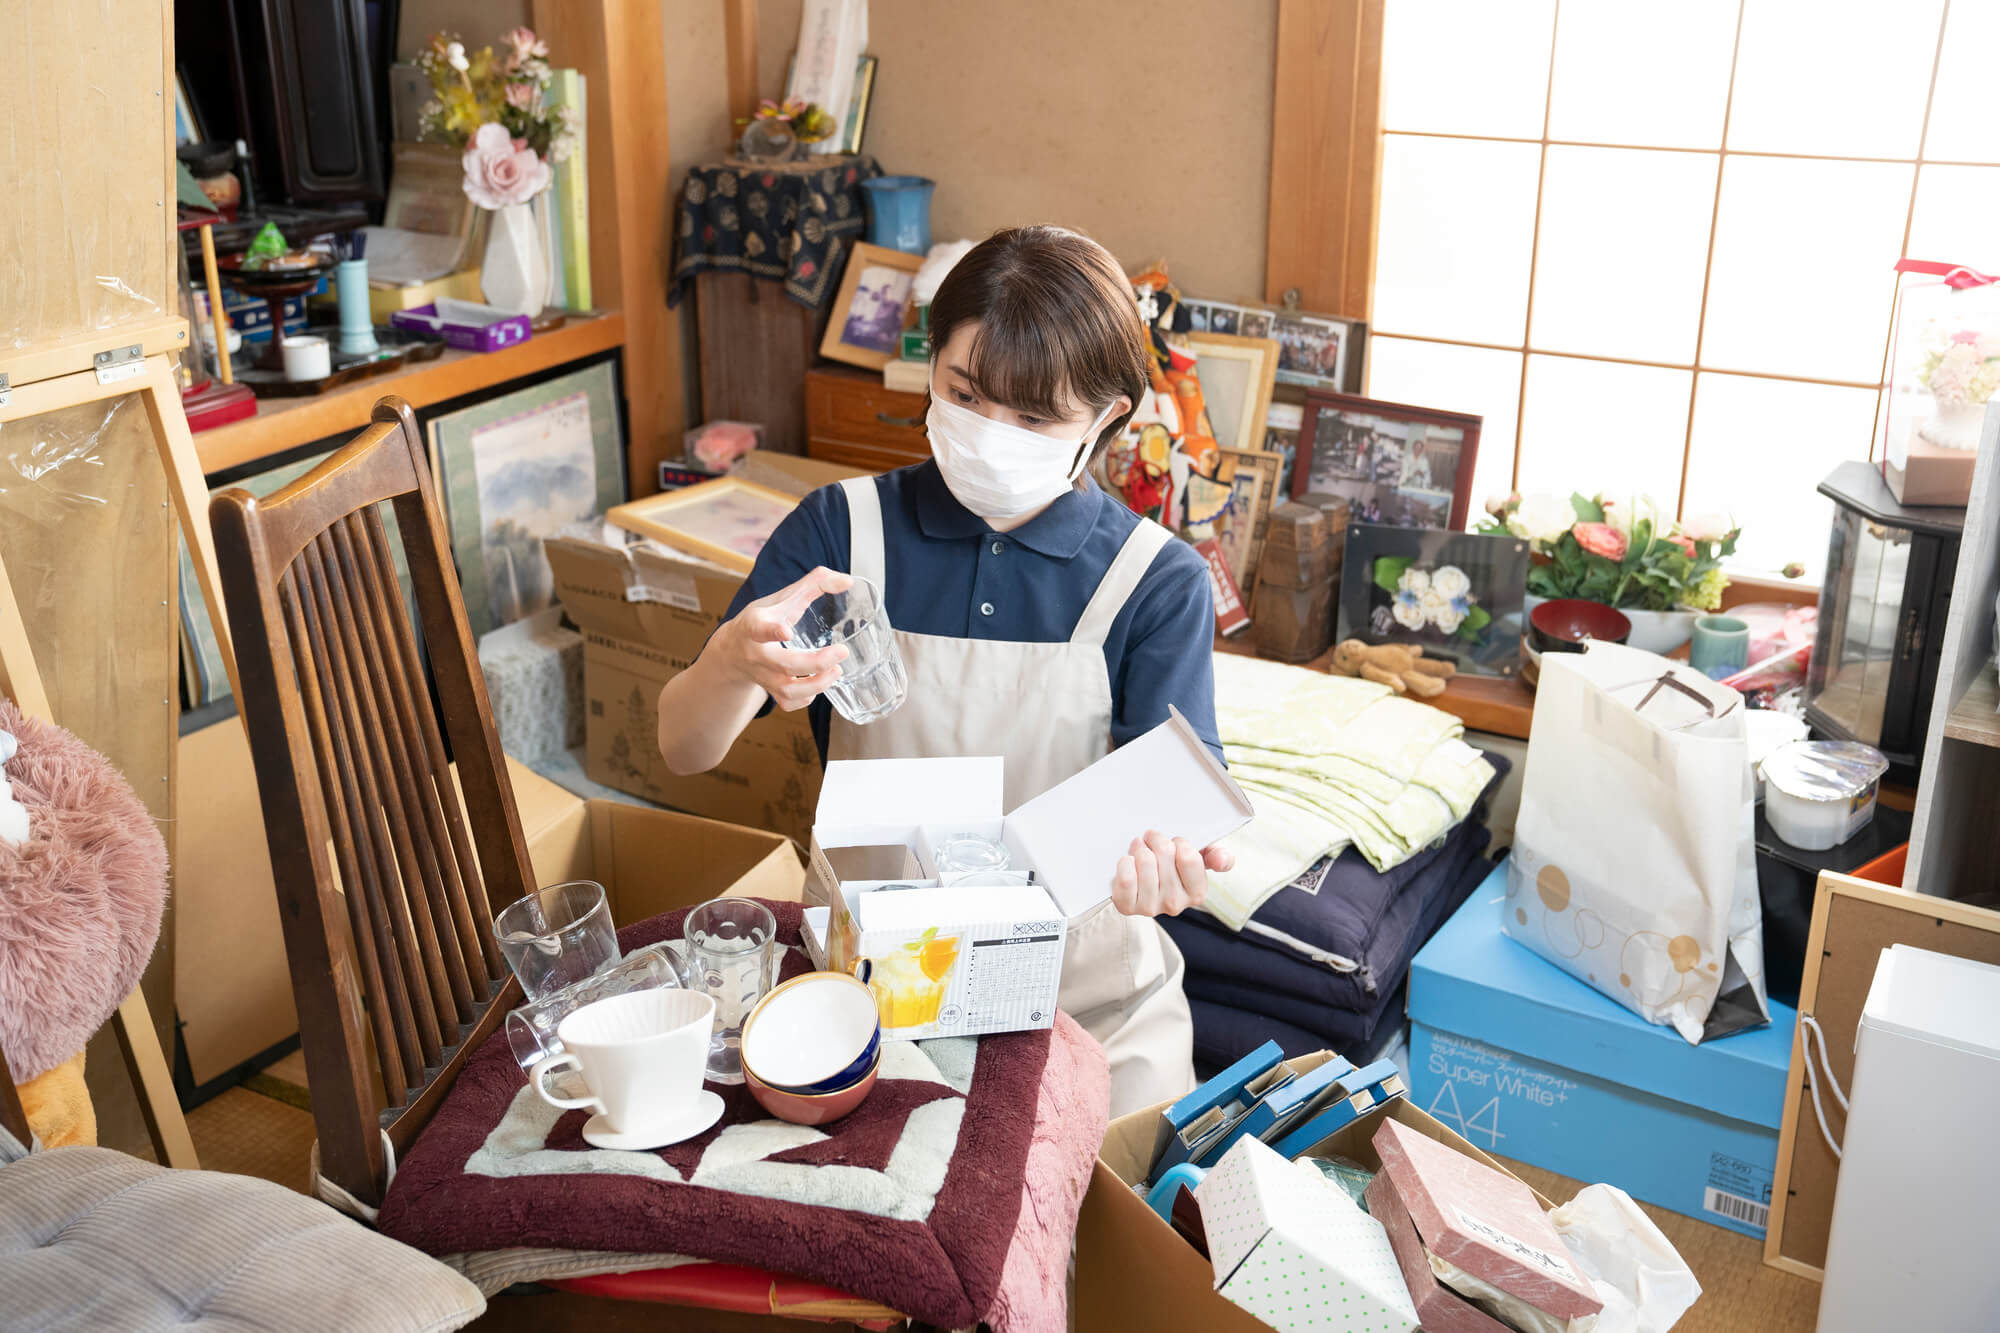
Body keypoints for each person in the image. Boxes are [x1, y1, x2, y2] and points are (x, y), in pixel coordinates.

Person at [656, 225, 1231, 1114]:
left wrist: (1168, 866)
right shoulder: (840, 532)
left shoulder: (1154, 582)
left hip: (1086, 1010)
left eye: (1036, 417)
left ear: (1109, 418)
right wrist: (732, 659)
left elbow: (1177, 826)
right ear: (929, 365)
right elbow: (683, 747)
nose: (992, 434)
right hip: (866, 996)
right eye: (965, 393)